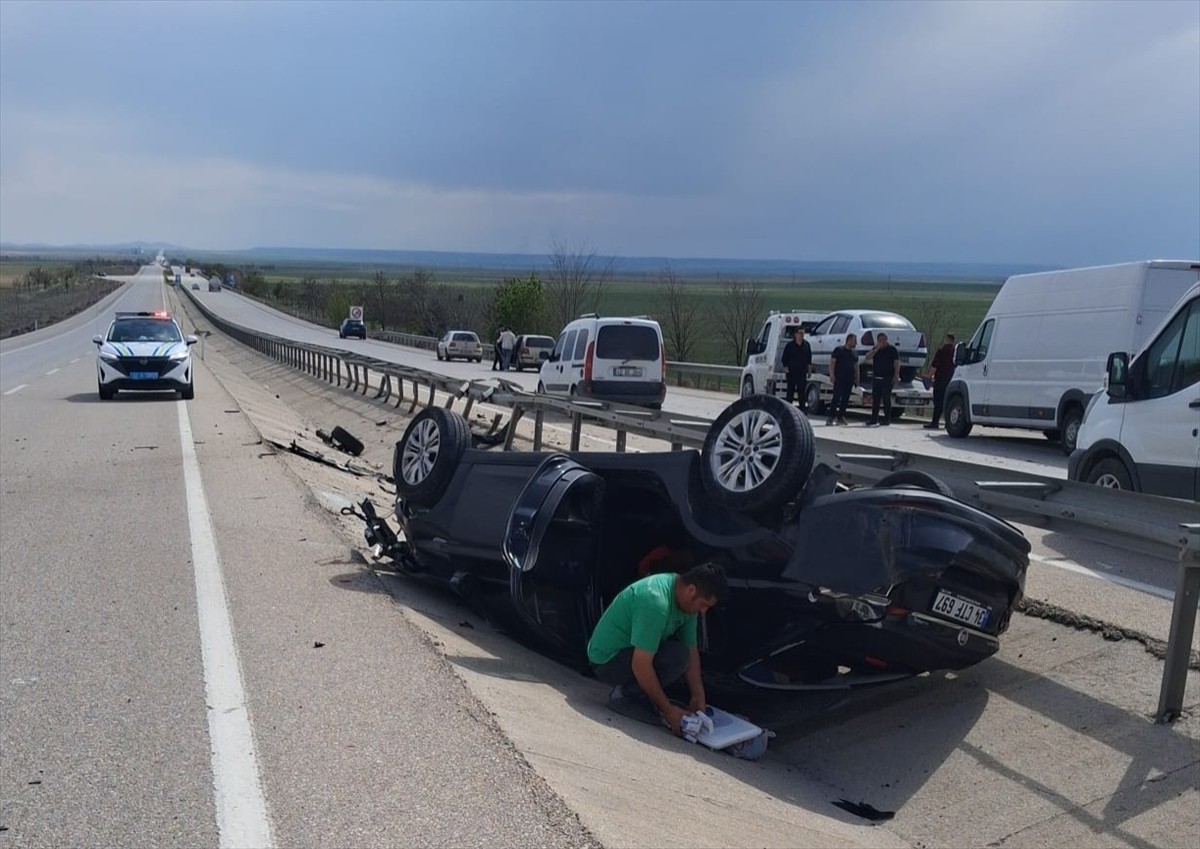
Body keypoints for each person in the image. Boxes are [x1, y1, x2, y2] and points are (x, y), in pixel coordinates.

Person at [588, 562, 728, 737]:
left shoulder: (687, 605)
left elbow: (692, 652)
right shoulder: (656, 602)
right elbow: (641, 665)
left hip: (630, 654)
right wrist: (668, 711)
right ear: (691, 590)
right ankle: (625, 695)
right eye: (704, 604)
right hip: (607, 662)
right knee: (676, 656)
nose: (703, 611)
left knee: (682, 655)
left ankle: (637, 694)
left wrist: (698, 696)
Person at [863, 332, 900, 426]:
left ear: (886, 340)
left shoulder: (892, 350)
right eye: (880, 341)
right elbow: (867, 357)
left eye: (883, 340)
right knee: (876, 400)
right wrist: (876, 349)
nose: (882, 342)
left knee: (886, 399)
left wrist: (896, 375)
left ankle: (887, 419)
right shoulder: (875, 349)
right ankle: (874, 419)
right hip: (876, 378)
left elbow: (896, 363)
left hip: (887, 378)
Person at [825, 333, 859, 426]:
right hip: (839, 378)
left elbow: (856, 366)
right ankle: (831, 417)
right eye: (854, 340)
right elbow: (832, 363)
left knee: (845, 399)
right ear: (849, 340)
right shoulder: (839, 350)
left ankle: (841, 417)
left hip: (849, 379)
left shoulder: (854, 352)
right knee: (836, 398)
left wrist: (857, 378)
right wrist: (831, 375)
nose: (856, 343)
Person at [925, 333, 957, 429]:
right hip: (952, 380)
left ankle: (935, 422)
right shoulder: (955, 352)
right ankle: (948, 423)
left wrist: (929, 376)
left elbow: (935, 365)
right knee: (948, 402)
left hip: (941, 379)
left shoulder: (941, 351)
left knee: (938, 401)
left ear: (946, 340)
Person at [781, 326, 813, 412]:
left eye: (803, 333)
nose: (802, 335)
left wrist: (809, 371)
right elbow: (784, 359)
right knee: (790, 392)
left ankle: (802, 411)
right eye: (800, 333)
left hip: (802, 372)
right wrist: (786, 368)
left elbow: (809, 359)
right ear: (795, 334)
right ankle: (788, 411)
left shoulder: (806, 345)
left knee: (802, 392)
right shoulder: (789, 346)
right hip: (791, 372)